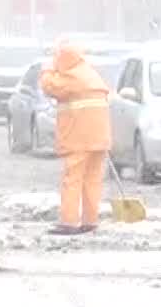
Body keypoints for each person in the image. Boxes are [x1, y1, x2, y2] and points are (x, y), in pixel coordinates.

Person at [39, 43, 112, 236]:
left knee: (72, 179)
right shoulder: (90, 74)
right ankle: (90, 221)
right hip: (99, 139)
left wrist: (46, 69)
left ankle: (69, 222)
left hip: (80, 138)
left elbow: (49, 87)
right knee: (92, 180)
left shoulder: (72, 77)